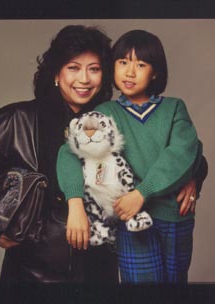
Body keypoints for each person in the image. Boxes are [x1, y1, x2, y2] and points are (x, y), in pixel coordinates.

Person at [57, 29, 208, 284]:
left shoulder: (174, 108)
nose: (130, 72)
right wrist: (75, 202)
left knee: (176, 288)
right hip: (131, 220)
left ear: (155, 72)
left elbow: (184, 150)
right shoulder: (105, 112)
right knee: (140, 290)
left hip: (175, 216)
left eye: (141, 64)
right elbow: (69, 152)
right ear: (113, 67)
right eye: (123, 62)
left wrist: (142, 193)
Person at [0, 25, 119, 284]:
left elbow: (171, 151)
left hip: (99, 270)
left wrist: (193, 178)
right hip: (31, 274)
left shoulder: (114, 122)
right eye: (73, 67)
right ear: (56, 73)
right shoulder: (17, 120)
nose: (84, 79)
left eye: (94, 69)